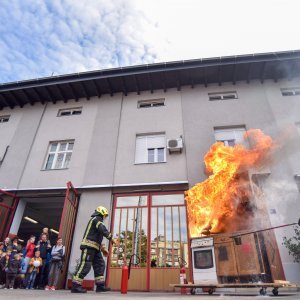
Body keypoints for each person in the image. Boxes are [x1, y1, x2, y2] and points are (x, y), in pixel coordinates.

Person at [71, 206, 118, 293]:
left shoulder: (97, 221)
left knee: (100, 264)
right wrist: (111, 238)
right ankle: (76, 286)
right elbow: (102, 229)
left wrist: (102, 248)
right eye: (105, 215)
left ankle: (100, 286)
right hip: (89, 246)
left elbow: (97, 236)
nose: (105, 217)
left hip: (95, 248)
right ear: (101, 213)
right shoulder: (96, 219)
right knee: (85, 265)